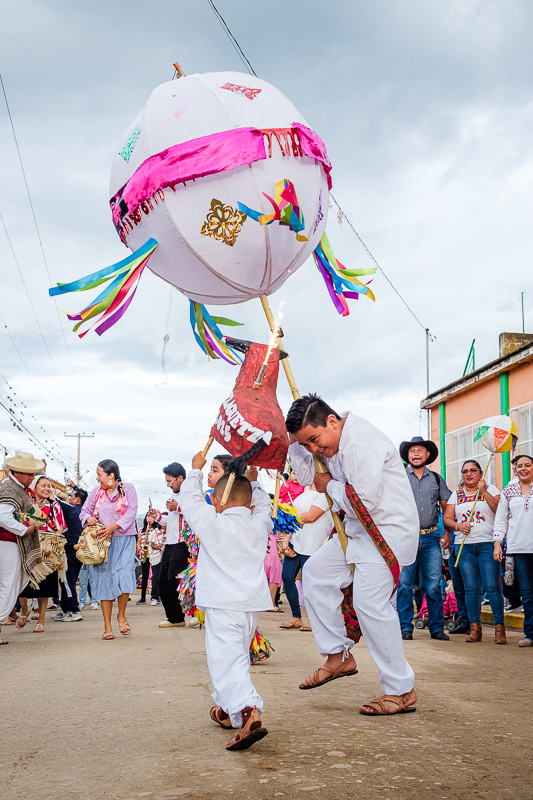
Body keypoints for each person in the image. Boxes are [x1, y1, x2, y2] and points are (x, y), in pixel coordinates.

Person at [286, 394, 419, 716]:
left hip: (387, 532)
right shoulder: (329, 440)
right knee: (316, 573)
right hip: (357, 531)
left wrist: (328, 485)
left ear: (332, 421)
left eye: (314, 440)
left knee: (370, 605)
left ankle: (401, 690)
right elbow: (310, 478)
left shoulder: (360, 442)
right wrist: (293, 444)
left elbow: (364, 500)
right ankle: (338, 656)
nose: (315, 449)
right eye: (307, 444)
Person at [179, 453, 273, 750]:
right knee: (235, 658)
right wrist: (256, 485)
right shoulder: (259, 523)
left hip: (222, 602)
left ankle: (248, 709)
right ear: (248, 503)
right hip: (250, 605)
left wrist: (194, 471)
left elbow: (190, 501)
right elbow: (265, 507)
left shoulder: (212, 521)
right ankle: (228, 709)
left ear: (218, 502)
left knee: (225, 660)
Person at [443, 459, 504, 643]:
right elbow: (447, 518)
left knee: (492, 587)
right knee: (471, 589)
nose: (468, 474)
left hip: (487, 544)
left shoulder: (492, 489)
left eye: (473, 470)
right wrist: (458, 526)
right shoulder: (457, 494)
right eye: (465, 471)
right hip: (465, 547)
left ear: (480, 473)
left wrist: (484, 492)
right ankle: (474, 627)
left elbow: (499, 510)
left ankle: (499, 629)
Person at [396, 436, 452, 641]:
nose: (416, 454)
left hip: (431, 539)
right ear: (407, 455)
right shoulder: (399, 477)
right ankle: (405, 627)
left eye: (420, 450)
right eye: (412, 451)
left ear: (427, 455)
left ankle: (437, 628)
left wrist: (446, 532)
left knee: (434, 585)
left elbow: (447, 507)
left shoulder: (437, 479)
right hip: (405, 538)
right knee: (404, 585)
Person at [80, 459, 138, 640]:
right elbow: (84, 511)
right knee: (104, 580)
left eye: (99, 474)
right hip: (102, 544)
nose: (97, 478)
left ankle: (121, 615)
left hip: (125, 539)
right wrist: (88, 518)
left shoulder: (128, 489)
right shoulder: (96, 492)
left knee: (123, 575)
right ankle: (107, 626)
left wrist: (114, 526)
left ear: (111, 475)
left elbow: (132, 511)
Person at [0, 451, 46, 645]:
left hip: (11, 542)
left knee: (13, 585)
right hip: (7, 542)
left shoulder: (15, 487)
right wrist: (25, 529)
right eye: (29, 474)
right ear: (17, 473)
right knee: (9, 585)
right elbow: (3, 516)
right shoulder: (10, 488)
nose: (32, 478)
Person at [279, 483, 332, 630]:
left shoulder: (325, 492)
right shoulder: (306, 489)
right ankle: (296, 617)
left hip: (314, 544)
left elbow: (311, 516)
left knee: (311, 584)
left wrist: (289, 517)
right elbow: (298, 517)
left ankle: (313, 619)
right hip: (296, 541)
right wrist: (286, 539)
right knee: (287, 577)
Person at [493, 454, 533, 647]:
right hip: (519, 548)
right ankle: (530, 634)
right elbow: (500, 519)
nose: (523, 469)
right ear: (515, 469)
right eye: (519, 466)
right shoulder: (509, 490)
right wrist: (497, 543)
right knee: (527, 593)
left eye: (528, 465)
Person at [19, 476, 67, 633]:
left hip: (47, 546)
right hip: (28, 544)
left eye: (48, 486)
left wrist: (52, 542)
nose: (47, 488)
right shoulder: (26, 504)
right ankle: (24, 609)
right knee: (23, 581)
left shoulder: (54, 506)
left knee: (44, 585)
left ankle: (41, 620)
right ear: (34, 487)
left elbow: (60, 527)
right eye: (43, 485)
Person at [158, 462, 189, 628]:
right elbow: (170, 521)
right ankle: (175, 617)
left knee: (175, 578)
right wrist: (157, 516)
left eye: (170, 481)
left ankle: (196, 610)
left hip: (183, 542)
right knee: (163, 581)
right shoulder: (172, 497)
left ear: (180, 478)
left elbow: (196, 512)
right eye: (167, 482)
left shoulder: (191, 494)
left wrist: (178, 507)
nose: (169, 485)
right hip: (169, 543)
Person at [52, 486, 88, 622]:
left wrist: (52, 492)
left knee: (67, 581)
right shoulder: (82, 511)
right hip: (77, 551)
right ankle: (65, 609)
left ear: (77, 499)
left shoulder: (73, 511)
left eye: (71, 496)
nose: (69, 497)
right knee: (65, 581)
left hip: (70, 551)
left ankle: (74, 610)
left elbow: (55, 501)